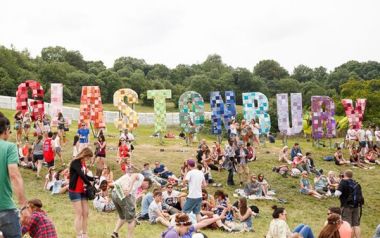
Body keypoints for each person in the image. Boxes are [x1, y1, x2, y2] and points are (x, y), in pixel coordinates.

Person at [0, 114, 27, 238]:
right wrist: (23, 205)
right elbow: (15, 176)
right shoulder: (9, 147)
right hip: (4, 208)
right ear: (5, 131)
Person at [69, 148, 94, 238]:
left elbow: (85, 175)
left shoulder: (83, 163)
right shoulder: (75, 162)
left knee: (85, 213)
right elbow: (80, 174)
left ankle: (84, 234)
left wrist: (93, 178)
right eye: (87, 157)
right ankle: (78, 235)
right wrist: (89, 183)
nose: (88, 159)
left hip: (82, 190)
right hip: (75, 191)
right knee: (79, 213)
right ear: (84, 154)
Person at [111, 172, 144, 238]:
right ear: (147, 182)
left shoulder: (136, 187)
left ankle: (115, 233)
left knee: (122, 216)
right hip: (123, 194)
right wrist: (129, 188)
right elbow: (134, 176)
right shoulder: (142, 177)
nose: (145, 188)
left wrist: (134, 210)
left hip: (114, 193)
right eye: (147, 186)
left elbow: (133, 199)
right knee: (131, 220)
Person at [335, 170, 364, 238]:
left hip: (346, 206)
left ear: (344, 175)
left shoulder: (343, 182)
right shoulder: (355, 182)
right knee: (356, 225)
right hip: (356, 206)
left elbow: (337, 194)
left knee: (348, 225)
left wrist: (337, 187)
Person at [161, 209, 227, 238]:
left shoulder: (185, 228)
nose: (187, 230)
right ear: (182, 225)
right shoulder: (172, 234)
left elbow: (204, 223)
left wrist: (219, 218)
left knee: (200, 235)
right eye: (187, 229)